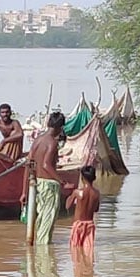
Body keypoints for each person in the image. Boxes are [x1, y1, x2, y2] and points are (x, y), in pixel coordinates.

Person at [20, 111, 75, 245]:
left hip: (37, 183)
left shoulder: (38, 140)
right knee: (47, 221)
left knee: (41, 220)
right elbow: (46, 165)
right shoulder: (52, 143)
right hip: (49, 185)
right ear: (60, 127)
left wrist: (24, 191)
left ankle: (37, 257)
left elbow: (29, 164)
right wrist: (63, 182)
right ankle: (43, 255)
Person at [65, 165, 100, 265]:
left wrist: (70, 194)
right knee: (88, 252)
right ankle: (88, 272)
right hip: (90, 225)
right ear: (94, 178)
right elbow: (96, 209)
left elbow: (67, 206)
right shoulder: (97, 193)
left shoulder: (77, 192)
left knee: (75, 252)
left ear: (82, 178)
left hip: (78, 225)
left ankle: (80, 275)